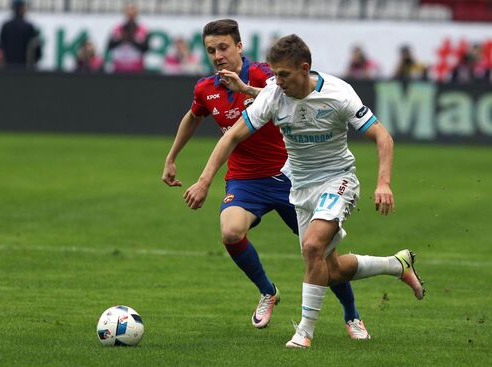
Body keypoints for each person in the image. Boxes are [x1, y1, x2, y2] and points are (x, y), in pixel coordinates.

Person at [183, 34, 425, 348]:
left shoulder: (339, 93)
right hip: (299, 188)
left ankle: (304, 333)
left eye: (282, 74)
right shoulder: (273, 94)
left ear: (304, 69)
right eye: (274, 73)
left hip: (338, 180)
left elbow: (383, 137)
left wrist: (383, 183)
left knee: (312, 247)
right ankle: (397, 264)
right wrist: (204, 181)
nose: (276, 80)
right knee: (330, 269)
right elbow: (231, 138)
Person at [162, 20, 371, 339]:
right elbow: (193, 117)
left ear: (239, 47)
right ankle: (267, 291)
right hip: (246, 180)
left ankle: (352, 315)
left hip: (291, 177)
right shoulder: (206, 89)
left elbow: (290, 97)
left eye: (223, 48)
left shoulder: (265, 74)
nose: (217, 55)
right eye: (210, 50)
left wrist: (247, 90)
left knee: (323, 254)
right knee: (231, 232)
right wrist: (172, 158)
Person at [0, 0, 42, 69]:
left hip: (8, 69)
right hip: (25, 69)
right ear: (21, 9)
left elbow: (0, 48)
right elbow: (37, 52)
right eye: (24, 7)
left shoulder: (6, 26)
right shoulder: (29, 27)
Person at [106, 3, 149, 73]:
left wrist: (132, 40)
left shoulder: (142, 29)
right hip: (119, 68)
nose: (130, 14)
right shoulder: (117, 28)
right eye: (128, 11)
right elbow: (109, 46)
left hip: (137, 69)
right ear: (125, 13)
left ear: (136, 13)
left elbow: (146, 49)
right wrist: (122, 39)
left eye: (132, 11)